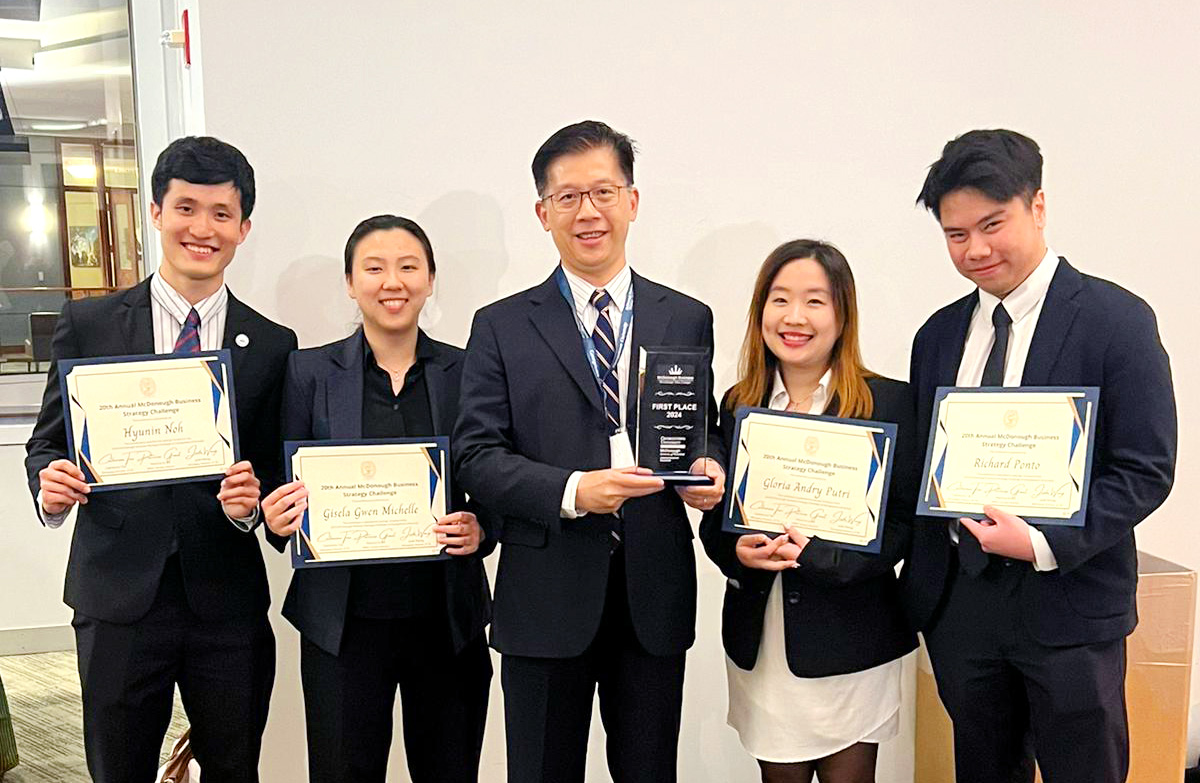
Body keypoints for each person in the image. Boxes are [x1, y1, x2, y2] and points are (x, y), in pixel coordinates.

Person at [453, 120, 725, 783]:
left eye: (603, 190)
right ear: (543, 213)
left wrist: (707, 468)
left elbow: (703, 427)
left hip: (652, 593)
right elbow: (476, 454)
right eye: (568, 196)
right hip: (544, 598)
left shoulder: (685, 315)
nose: (588, 211)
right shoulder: (501, 324)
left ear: (632, 201)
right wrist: (574, 491)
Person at [902, 129, 1177, 783]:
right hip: (962, 613)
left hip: (1071, 609)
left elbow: (1145, 467)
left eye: (992, 224)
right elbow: (923, 468)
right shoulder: (937, 335)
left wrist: (1041, 541)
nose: (976, 249)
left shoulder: (1117, 320)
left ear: (1039, 207)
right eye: (955, 233)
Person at [24, 136, 296, 783]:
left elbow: (275, 473)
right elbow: (48, 442)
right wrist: (49, 484)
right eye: (187, 207)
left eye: (221, 214)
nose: (202, 228)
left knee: (235, 768)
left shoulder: (272, 344)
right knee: (118, 770)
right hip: (116, 596)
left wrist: (252, 505)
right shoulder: (88, 323)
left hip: (226, 603)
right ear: (155, 212)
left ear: (243, 227)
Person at [260, 215, 493, 783]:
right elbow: (279, 488)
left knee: (450, 772)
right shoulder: (308, 371)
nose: (394, 281)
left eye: (409, 267)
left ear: (431, 279)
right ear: (349, 282)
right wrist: (277, 514)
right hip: (342, 626)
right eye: (375, 267)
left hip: (446, 622)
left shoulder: (467, 371)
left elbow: (494, 475)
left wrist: (483, 527)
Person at [699, 240, 918, 783]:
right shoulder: (737, 404)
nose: (795, 317)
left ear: (842, 314)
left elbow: (904, 529)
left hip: (851, 640)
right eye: (780, 300)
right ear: (760, 312)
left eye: (815, 302)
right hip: (764, 643)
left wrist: (822, 558)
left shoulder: (888, 403)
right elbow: (716, 521)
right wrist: (739, 553)